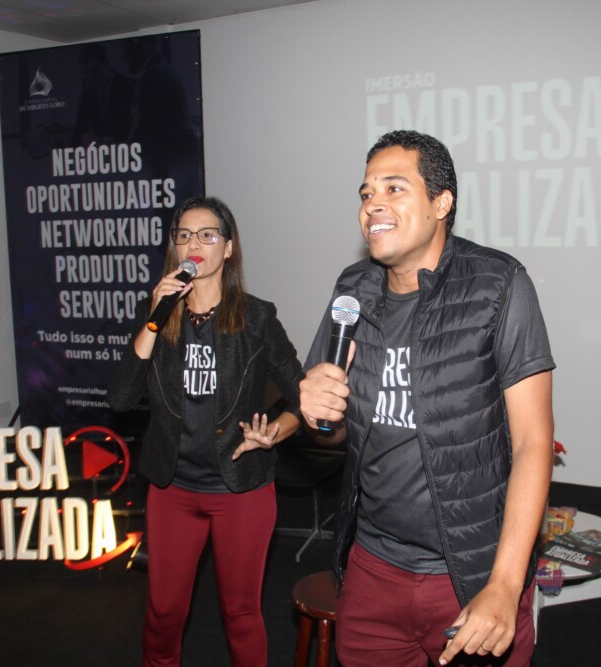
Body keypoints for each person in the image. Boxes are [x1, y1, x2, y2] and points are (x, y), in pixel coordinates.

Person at [299, 130, 555, 667]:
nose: (373, 204)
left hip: (472, 575)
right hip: (373, 572)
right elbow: (336, 436)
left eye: (394, 188)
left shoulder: (498, 284)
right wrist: (322, 417)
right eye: (366, 193)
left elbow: (533, 442)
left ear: (442, 203)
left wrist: (505, 585)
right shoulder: (351, 290)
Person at [108, 196, 303, 667]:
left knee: (240, 614)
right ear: (175, 249)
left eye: (207, 234)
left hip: (241, 490)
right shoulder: (156, 313)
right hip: (173, 488)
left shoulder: (256, 318)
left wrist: (275, 432)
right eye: (184, 235)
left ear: (228, 248)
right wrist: (155, 316)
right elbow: (120, 398)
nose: (194, 243)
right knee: (163, 613)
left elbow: (303, 397)